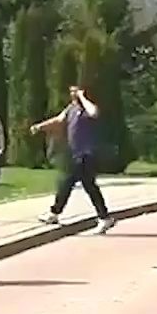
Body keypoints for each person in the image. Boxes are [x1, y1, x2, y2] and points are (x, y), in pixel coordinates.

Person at [31, 83, 115, 234]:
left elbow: (94, 113)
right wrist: (40, 126)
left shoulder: (87, 108)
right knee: (85, 186)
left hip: (86, 154)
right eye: (71, 92)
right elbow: (59, 119)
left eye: (75, 91)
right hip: (75, 153)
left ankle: (56, 213)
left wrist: (82, 97)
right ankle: (103, 217)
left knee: (68, 182)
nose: (73, 94)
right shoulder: (71, 108)